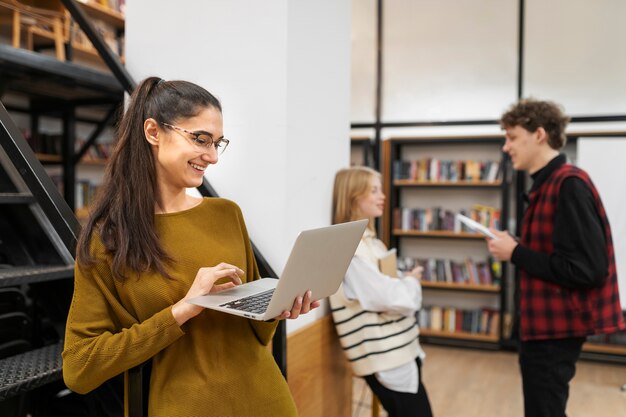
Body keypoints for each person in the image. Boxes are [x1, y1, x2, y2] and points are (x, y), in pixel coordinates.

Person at [62, 77, 320, 417]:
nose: (212, 157)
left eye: (217, 143)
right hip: (185, 407)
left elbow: (256, 334)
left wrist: (280, 307)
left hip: (267, 399)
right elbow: (80, 367)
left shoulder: (227, 214)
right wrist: (182, 309)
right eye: (200, 139)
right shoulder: (108, 238)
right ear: (153, 132)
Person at [487, 98, 625, 417]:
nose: (506, 147)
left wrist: (516, 252)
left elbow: (588, 269)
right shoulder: (551, 183)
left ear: (538, 134)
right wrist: (518, 247)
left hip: (554, 331)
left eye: (512, 137)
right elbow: (558, 252)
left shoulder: (569, 184)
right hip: (544, 326)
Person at [329, 166, 434, 417]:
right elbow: (394, 298)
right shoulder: (351, 246)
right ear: (354, 196)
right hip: (388, 356)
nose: (383, 196)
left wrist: (403, 283)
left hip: (399, 350)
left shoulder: (370, 242)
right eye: (374, 190)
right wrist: (411, 282)